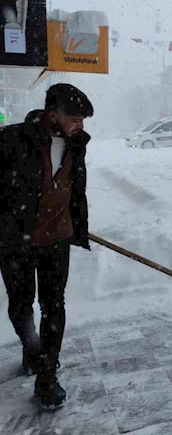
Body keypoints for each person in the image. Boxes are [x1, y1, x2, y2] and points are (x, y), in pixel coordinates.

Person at [0, 83, 93, 410]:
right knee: (20, 304)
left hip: (56, 240)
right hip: (15, 243)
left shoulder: (76, 144)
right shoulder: (11, 140)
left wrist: (76, 224)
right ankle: (32, 349)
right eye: (75, 117)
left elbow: (73, 188)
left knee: (54, 306)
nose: (81, 124)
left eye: (84, 118)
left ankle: (47, 375)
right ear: (53, 114)